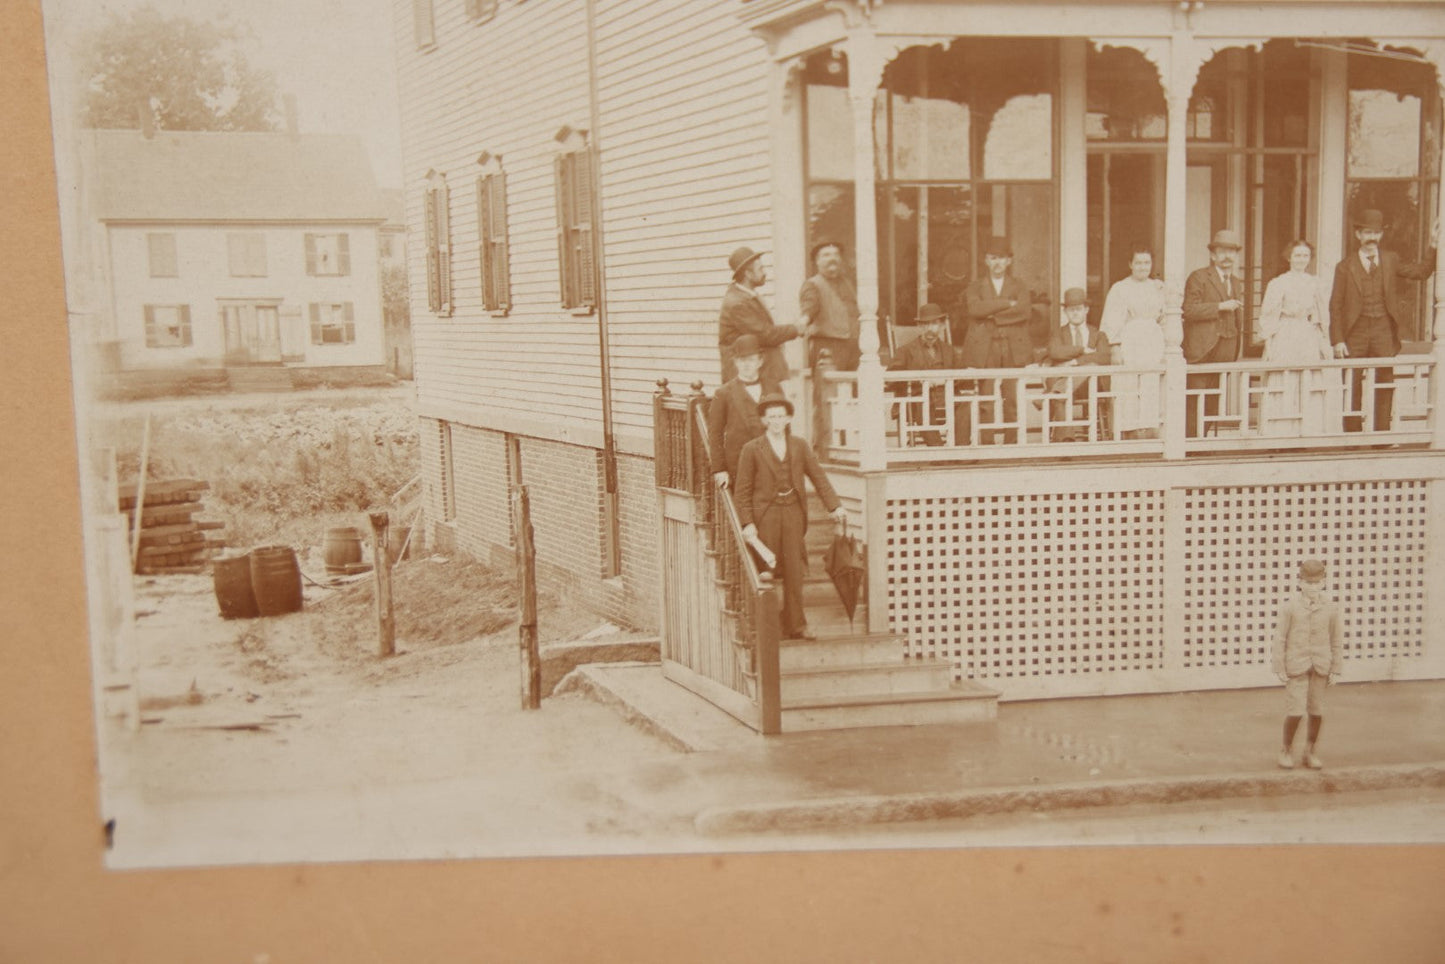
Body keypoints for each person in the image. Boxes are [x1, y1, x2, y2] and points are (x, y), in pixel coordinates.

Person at [735, 393, 848, 641]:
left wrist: (834, 506)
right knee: (766, 569)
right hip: (766, 514)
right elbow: (742, 491)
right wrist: (747, 522)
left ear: (788, 419)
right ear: (764, 420)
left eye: (780, 416)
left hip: (793, 512)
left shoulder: (799, 445)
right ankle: (765, 627)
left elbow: (818, 477)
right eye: (771, 416)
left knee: (795, 570)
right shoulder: (752, 449)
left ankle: (796, 625)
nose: (776, 421)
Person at [1329, 209, 1437, 433]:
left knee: (1385, 382)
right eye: (1367, 232)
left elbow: (1421, 272)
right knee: (1351, 383)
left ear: (1381, 236)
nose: (1372, 238)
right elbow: (1336, 305)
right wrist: (1338, 340)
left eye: (1376, 233)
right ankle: (1352, 436)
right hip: (1354, 332)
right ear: (1358, 235)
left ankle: (1381, 434)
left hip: (1383, 330)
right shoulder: (1345, 266)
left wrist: (1434, 246)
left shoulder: (1391, 260)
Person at [1257, 240, 1338, 436]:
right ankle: (1281, 430)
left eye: (1305, 256)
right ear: (1289, 257)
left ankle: (1306, 430)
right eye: (1297, 255)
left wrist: (1324, 340)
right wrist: (1269, 342)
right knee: (1285, 378)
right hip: (1285, 332)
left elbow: (1321, 314)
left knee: (1307, 378)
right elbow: (1269, 314)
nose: (1301, 259)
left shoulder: (1315, 283)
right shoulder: (1278, 283)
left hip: (1307, 333)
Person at [1271, 559, 1343, 770]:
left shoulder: (1331, 608)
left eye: (1317, 583)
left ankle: (1310, 751)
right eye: (1308, 583)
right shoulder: (1290, 607)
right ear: (1299, 582)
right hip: (1297, 666)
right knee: (1295, 710)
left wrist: (1336, 668)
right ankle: (1286, 750)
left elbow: (1336, 639)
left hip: (1320, 665)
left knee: (1316, 710)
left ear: (1324, 583)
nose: (1312, 587)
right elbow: (1280, 639)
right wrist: (1279, 667)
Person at [961, 236, 1033, 443]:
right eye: (993, 258)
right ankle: (987, 443)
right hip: (985, 347)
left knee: (1012, 398)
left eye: (1001, 258)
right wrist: (1007, 304)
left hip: (1013, 347)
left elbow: (1024, 312)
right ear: (986, 260)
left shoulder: (1019, 285)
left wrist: (992, 313)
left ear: (1009, 261)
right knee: (986, 398)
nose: (997, 263)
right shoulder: (975, 286)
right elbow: (975, 309)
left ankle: (1012, 444)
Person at [1182, 229, 1245, 438]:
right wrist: (1220, 306)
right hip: (1202, 350)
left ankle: (1202, 442)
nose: (1228, 257)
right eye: (1223, 251)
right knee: (1195, 399)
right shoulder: (1199, 277)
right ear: (1213, 255)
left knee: (1212, 401)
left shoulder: (1235, 282)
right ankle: (1189, 445)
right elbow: (1189, 310)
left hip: (1225, 350)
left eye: (1232, 252)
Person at [798, 241, 860, 454]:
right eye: (826, 255)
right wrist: (803, 321)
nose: (832, 258)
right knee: (827, 400)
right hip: (829, 348)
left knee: (854, 400)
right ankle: (824, 453)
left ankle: (850, 448)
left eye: (835, 253)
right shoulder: (813, 284)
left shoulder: (847, 283)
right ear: (816, 261)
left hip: (854, 347)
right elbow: (809, 307)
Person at [1099, 246, 1167, 439]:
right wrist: (1115, 347)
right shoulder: (1120, 288)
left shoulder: (1158, 287)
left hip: (1153, 339)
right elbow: (1112, 320)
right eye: (1138, 263)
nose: (1142, 267)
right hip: (1130, 338)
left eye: (1146, 263)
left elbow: (1164, 317)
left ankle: (1150, 426)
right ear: (1130, 264)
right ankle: (1128, 428)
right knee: (1128, 382)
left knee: (1151, 381)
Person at [717, 246, 802, 387]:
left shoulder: (745, 296)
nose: (765, 273)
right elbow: (764, 334)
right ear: (748, 274)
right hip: (745, 380)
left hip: (755, 375)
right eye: (761, 269)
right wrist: (796, 329)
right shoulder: (738, 303)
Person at [887, 303, 965, 446]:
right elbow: (891, 379)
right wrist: (921, 381)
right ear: (920, 327)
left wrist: (946, 381)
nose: (930, 329)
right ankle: (937, 451)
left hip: (946, 395)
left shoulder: (949, 350)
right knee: (922, 404)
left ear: (941, 326)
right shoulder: (905, 351)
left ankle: (961, 452)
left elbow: (962, 377)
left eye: (934, 324)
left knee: (965, 404)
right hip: (918, 397)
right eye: (926, 324)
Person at [708, 334, 774, 487]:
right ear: (736, 363)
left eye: (751, 360)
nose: (746, 364)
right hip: (738, 466)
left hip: (771, 464)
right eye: (742, 360)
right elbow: (715, 433)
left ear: (760, 361)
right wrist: (720, 469)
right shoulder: (724, 393)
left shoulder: (773, 388)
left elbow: (784, 427)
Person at [1047, 287, 1110, 441]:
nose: (1075, 313)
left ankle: (1057, 391)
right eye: (1071, 310)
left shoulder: (1098, 334)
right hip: (1067, 385)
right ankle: (1066, 441)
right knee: (1062, 394)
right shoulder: (1058, 333)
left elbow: (1103, 357)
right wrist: (1082, 349)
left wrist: (1075, 362)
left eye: (1078, 309)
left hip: (1090, 386)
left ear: (1086, 310)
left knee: (1093, 367)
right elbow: (1055, 352)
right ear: (1066, 312)